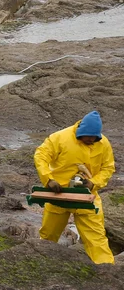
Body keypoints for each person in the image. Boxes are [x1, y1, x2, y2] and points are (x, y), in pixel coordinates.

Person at [34, 110, 116, 264]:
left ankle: (108, 271)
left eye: (94, 139)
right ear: (80, 132)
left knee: (97, 240)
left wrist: (94, 182)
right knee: (48, 237)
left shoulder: (103, 143)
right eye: (88, 138)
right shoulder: (59, 138)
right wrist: (49, 179)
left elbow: (108, 168)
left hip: (87, 198)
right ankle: (41, 265)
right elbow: (41, 155)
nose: (91, 141)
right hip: (58, 195)